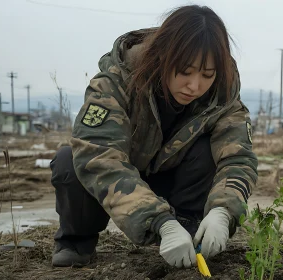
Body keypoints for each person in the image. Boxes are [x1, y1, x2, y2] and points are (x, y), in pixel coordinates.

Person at [49, 5, 258, 269]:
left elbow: (238, 157)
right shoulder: (116, 82)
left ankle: (189, 231)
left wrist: (223, 210)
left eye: (207, 75)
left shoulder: (222, 96)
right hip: (121, 179)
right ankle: (76, 242)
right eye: (185, 71)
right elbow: (98, 154)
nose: (195, 86)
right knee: (69, 161)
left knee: (209, 152)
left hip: (172, 180)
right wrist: (158, 220)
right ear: (163, 57)